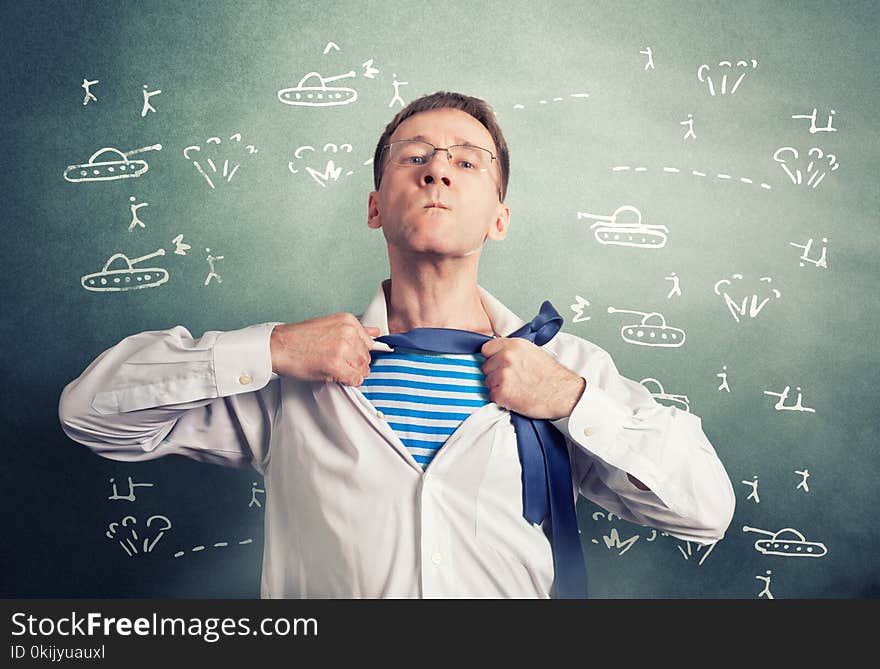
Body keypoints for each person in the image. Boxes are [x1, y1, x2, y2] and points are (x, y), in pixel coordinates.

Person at [59, 91, 736, 598]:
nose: (438, 171)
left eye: (467, 161)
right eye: (414, 156)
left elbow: (706, 508)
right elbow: (89, 411)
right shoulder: (292, 377)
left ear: (499, 219)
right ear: (376, 204)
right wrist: (267, 349)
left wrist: (569, 397)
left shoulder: (566, 369)